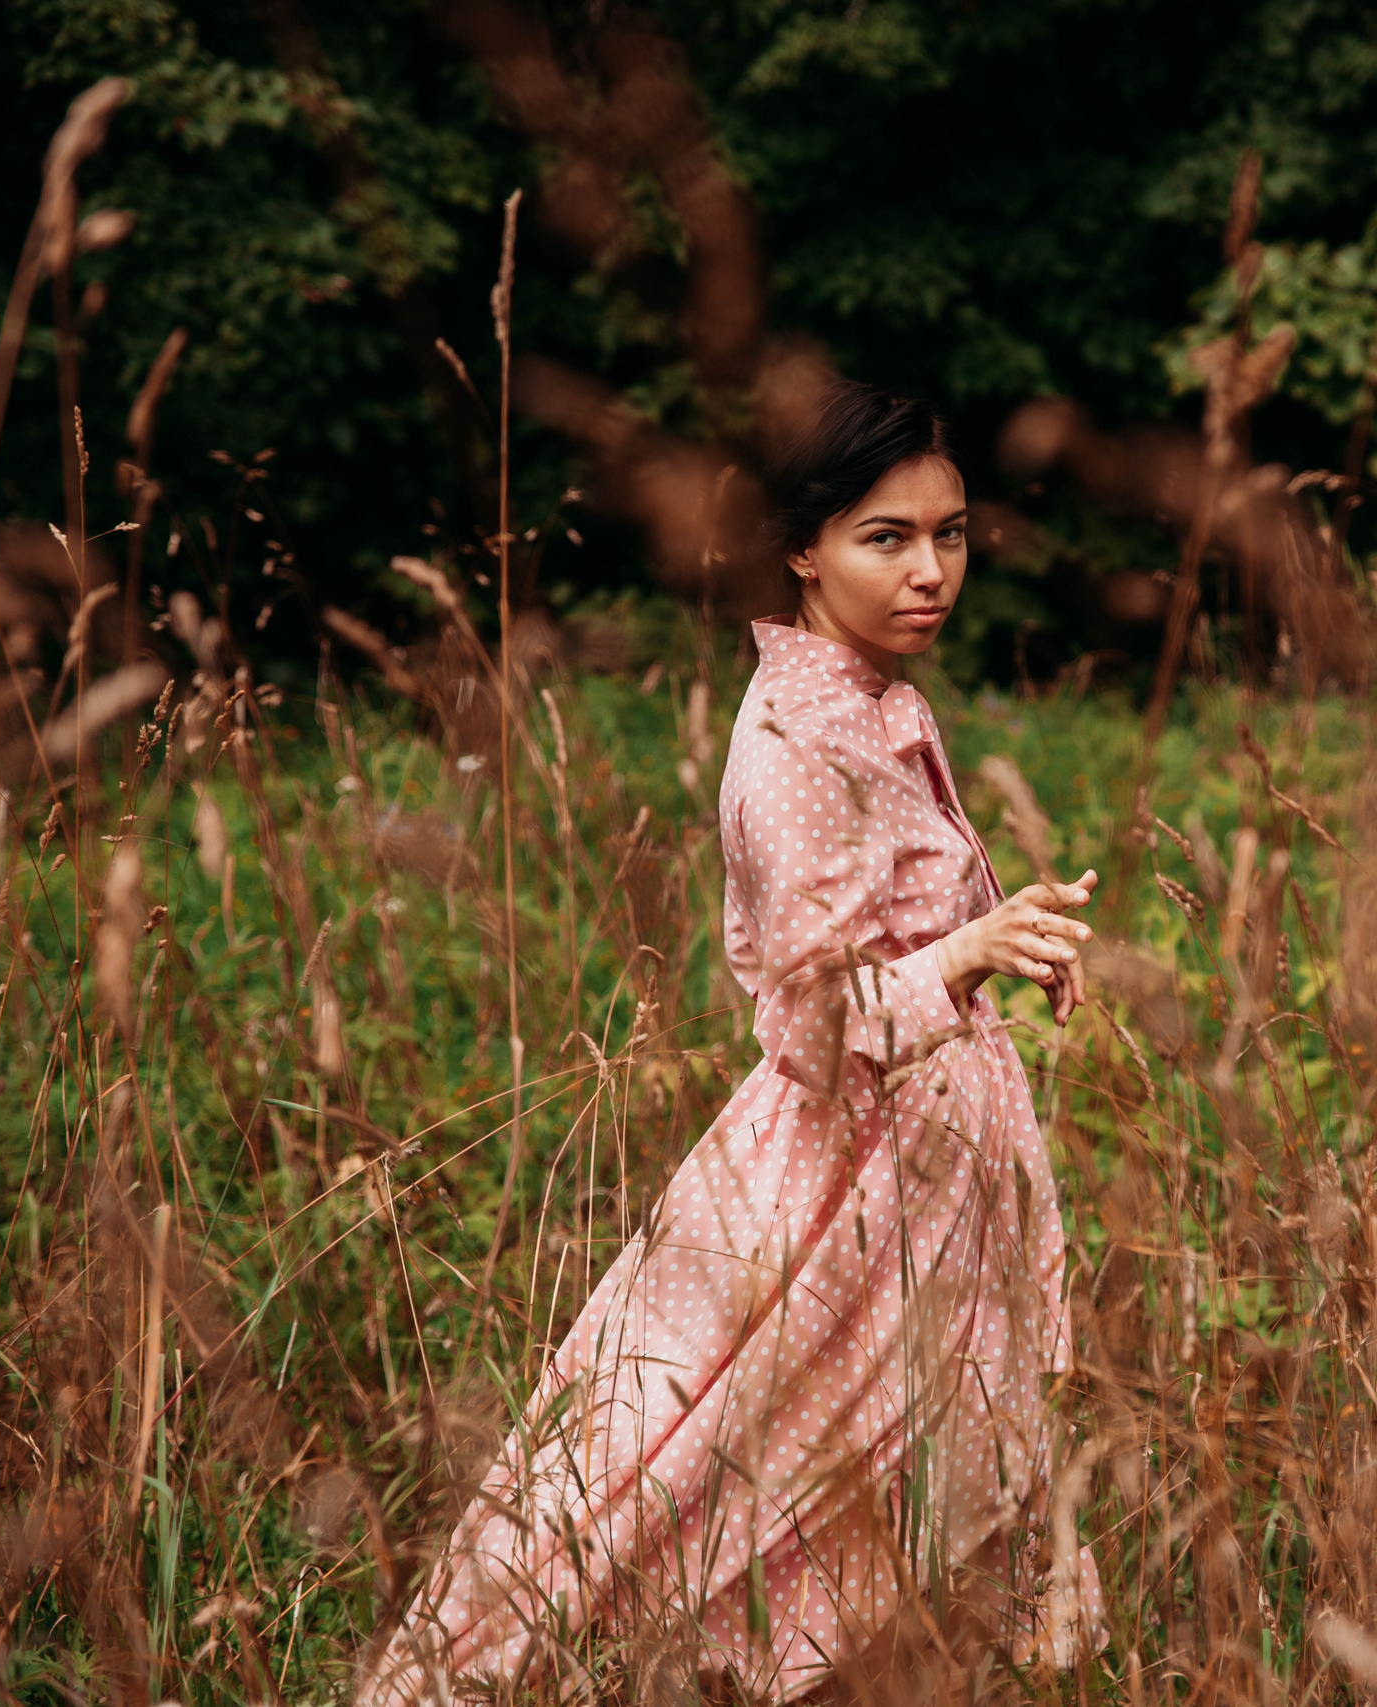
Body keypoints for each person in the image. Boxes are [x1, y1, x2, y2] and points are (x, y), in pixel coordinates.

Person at [361, 382, 1105, 1704]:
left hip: (925, 1175)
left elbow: (898, 927)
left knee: (900, 1496)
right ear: (802, 547)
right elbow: (810, 1020)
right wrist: (969, 956)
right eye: (888, 538)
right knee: (702, 1481)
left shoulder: (878, 702)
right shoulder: (797, 747)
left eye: (952, 532)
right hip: (843, 1192)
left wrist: (1007, 928)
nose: (932, 570)